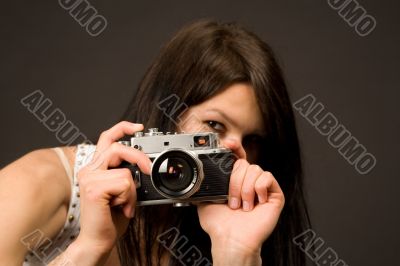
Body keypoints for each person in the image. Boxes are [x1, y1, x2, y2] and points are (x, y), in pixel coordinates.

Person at [0, 19, 311, 265]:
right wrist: (88, 248)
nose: (234, 150)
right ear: (165, 113)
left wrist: (235, 253)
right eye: (214, 125)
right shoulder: (41, 181)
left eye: (253, 139)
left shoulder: (219, 222)